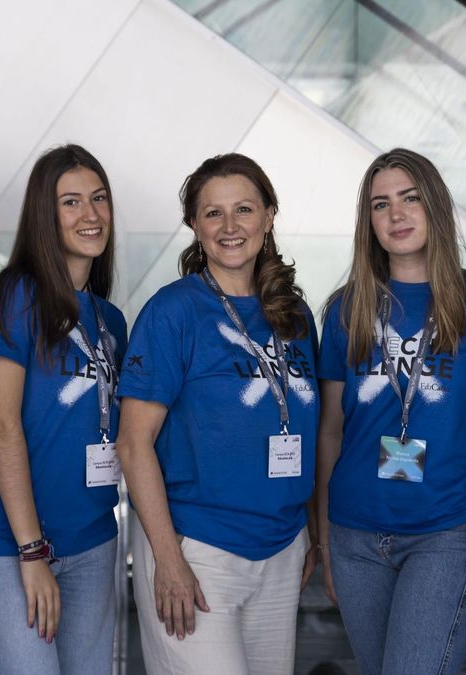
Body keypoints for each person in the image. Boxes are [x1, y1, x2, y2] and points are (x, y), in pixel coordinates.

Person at [116, 153, 318, 675]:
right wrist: (167, 559)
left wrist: (308, 537)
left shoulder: (295, 316)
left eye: (244, 209)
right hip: (199, 551)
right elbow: (133, 444)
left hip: (282, 548)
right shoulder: (173, 312)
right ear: (193, 225)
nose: (230, 227)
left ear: (269, 216)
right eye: (213, 213)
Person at [315, 148, 466, 674]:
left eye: (411, 199)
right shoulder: (345, 308)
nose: (397, 215)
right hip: (354, 535)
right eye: (381, 205)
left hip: (445, 531)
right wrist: (325, 535)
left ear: (437, 207)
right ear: (369, 222)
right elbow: (330, 433)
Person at [0, 144, 127, 673]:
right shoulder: (17, 297)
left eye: (99, 199)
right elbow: (1, 427)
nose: (91, 214)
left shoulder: (111, 321)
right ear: (44, 216)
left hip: (94, 540)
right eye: (71, 202)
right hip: (12, 546)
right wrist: (32, 552)